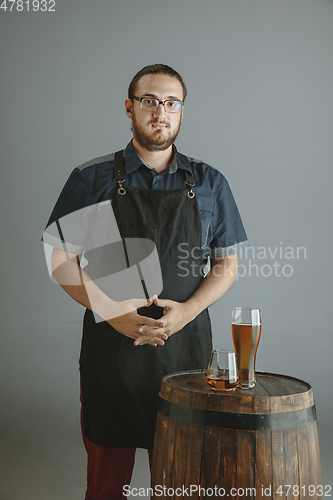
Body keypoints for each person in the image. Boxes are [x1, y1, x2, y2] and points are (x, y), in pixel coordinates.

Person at [42, 64, 249, 500]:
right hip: (112, 352)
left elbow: (226, 265)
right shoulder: (91, 179)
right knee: (105, 487)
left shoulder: (211, 183)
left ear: (181, 111)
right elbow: (61, 261)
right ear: (129, 108)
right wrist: (114, 314)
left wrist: (186, 314)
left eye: (172, 103)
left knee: (180, 481)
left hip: (186, 354)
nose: (161, 112)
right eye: (149, 101)